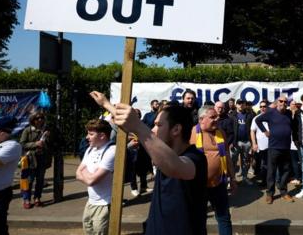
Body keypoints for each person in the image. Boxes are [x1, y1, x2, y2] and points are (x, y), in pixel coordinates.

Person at [100, 92, 208, 235]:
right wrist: (106, 104)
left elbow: (175, 167)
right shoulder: (161, 152)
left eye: (158, 125)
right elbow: (134, 128)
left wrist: (138, 126)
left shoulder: (195, 158)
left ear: (176, 129)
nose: (153, 130)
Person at [190, 106, 236, 235]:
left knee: (224, 218)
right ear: (201, 119)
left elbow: (227, 156)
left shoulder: (221, 132)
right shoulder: (191, 133)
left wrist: (232, 178)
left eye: (217, 116)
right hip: (198, 186)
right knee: (199, 220)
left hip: (219, 184)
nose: (217, 119)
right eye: (212, 117)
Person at [255, 95, 297, 204]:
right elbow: (258, 120)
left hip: (286, 147)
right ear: (277, 102)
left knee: (286, 170)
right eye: (281, 101)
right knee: (271, 171)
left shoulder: (288, 113)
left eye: (285, 102)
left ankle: (283, 192)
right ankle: (270, 193)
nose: (283, 103)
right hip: (274, 147)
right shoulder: (270, 112)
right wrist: (265, 131)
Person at [76, 118, 115, 235]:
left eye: (91, 134)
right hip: (91, 201)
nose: (87, 137)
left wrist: (87, 174)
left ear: (102, 135)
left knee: (99, 232)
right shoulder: (90, 149)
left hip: (104, 204)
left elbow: (92, 180)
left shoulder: (111, 150)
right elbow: (77, 173)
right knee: (88, 230)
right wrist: (89, 176)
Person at [19, 111, 52, 209]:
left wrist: (48, 138)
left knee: (40, 180)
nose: (40, 120)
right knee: (28, 180)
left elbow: (50, 145)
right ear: (33, 120)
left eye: (42, 118)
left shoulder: (46, 130)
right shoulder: (27, 130)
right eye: (37, 118)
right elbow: (22, 144)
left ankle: (37, 198)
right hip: (30, 159)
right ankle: (26, 199)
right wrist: (35, 144)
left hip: (42, 158)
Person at [231, 99, 254, 185]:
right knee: (233, 162)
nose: (241, 105)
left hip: (247, 142)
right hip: (236, 142)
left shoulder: (250, 115)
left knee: (246, 161)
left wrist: (252, 142)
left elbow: (253, 129)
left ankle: (245, 177)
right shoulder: (232, 115)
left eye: (242, 103)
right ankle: (232, 179)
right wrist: (231, 142)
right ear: (236, 105)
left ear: (245, 105)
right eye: (239, 103)